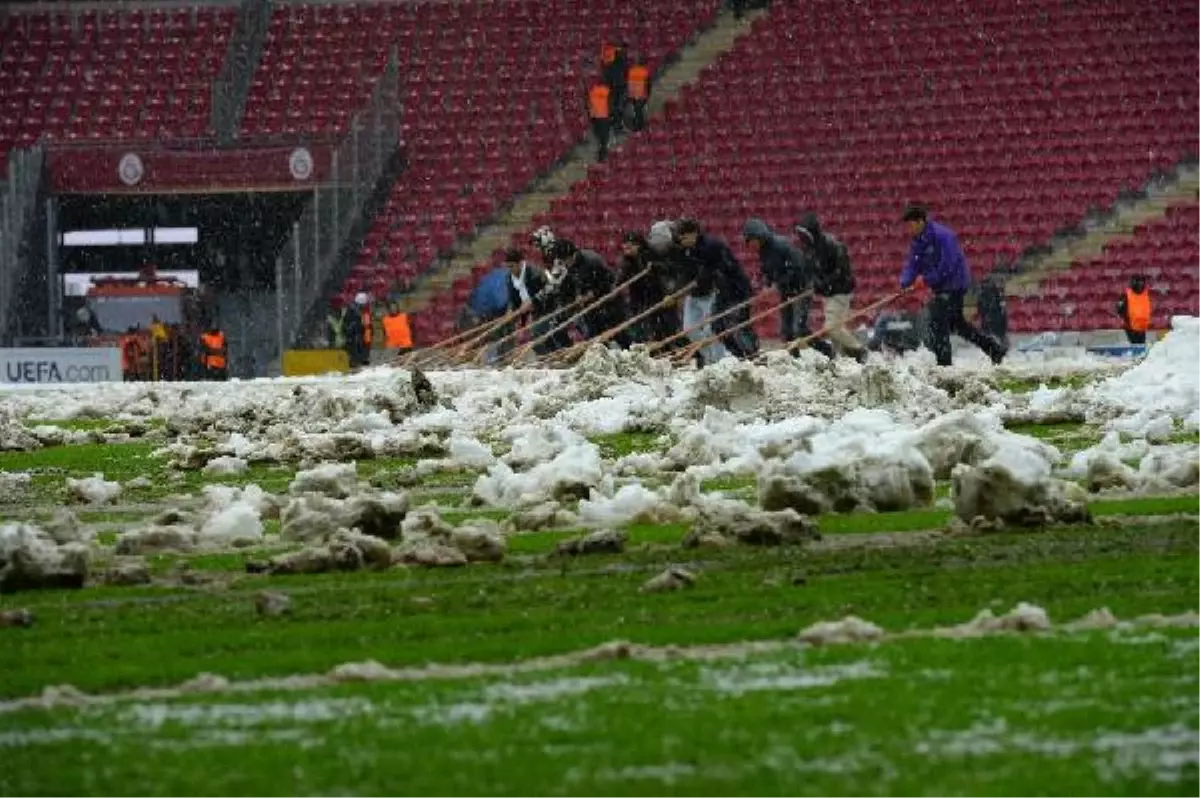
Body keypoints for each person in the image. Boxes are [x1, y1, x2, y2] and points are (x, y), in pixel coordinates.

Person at [898, 204, 1007, 366]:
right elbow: (913, 264)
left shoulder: (943, 236)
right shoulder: (917, 241)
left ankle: (944, 365)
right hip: (939, 286)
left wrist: (926, 279)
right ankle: (994, 349)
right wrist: (905, 282)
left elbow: (948, 265)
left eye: (910, 225)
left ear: (920, 221)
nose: (909, 229)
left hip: (954, 284)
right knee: (958, 325)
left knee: (937, 320)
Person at [742, 217, 834, 359]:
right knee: (786, 331)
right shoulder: (763, 251)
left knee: (799, 328)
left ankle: (826, 350)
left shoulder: (781, 245)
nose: (750, 244)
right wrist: (767, 284)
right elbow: (769, 271)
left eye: (750, 240)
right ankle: (794, 358)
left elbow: (797, 268)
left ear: (758, 236)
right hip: (787, 291)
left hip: (801, 288)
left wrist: (778, 284)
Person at [677, 218, 758, 364]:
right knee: (711, 328)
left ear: (693, 233)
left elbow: (711, 273)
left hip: (731, 289)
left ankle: (746, 355)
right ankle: (713, 359)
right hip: (714, 290)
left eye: (684, 237)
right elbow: (687, 273)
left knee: (731, 326)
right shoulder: (686, 250)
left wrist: (696, 284)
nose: (682, 241)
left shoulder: (711, 247)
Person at [795, 213, 868, 363]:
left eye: (804, 235)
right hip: (828, 293)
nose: (801, 239)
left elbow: (842, 271)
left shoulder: (832, 245)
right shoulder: (809, 250)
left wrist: (824, 283)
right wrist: (814, 284)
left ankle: (859, 350)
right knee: (836, 328)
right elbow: (809, 272)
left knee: (832, 328)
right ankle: (845, 359)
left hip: (840, 291)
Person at [617, 231, 676, 345]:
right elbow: (621, 277)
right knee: (641, 327)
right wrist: (616, 287)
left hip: (658, 294)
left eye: (629, 248)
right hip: (639, 296)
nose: (626, 251)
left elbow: (668, 270)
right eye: (624, 248)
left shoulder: (652, 253)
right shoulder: (627, 261)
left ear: (638, 245)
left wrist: (654, 267)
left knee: (663, 328)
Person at [1115, 274, 1152, 345]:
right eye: (1138, 282)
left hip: (1142, 327)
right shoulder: (1126, 295)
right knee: (1135, 347)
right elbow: (1119, 308)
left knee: (1141, 347)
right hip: (1131, 327)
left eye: (1142, 282)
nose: (1140, 284)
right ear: (1133, 283)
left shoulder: (1145, 294)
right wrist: (1125, 319)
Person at [588, 81, 612, 162]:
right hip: (603, 116)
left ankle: (599, 156)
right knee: (604, 139)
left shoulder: (592, 91)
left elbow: (589, 104)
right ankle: (602, 156)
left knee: (598, 138)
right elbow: (610, 102)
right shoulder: (606, 91)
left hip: (595, 117)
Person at [627, 59, 650, 132]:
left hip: (633, 93)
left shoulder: (631, 70)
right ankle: (639, 126)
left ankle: (637, 125)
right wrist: (647, 95)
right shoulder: (644, 71)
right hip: (641, 94)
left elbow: (628, 83)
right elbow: (648, 84)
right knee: (639, 111)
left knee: (636, 110)